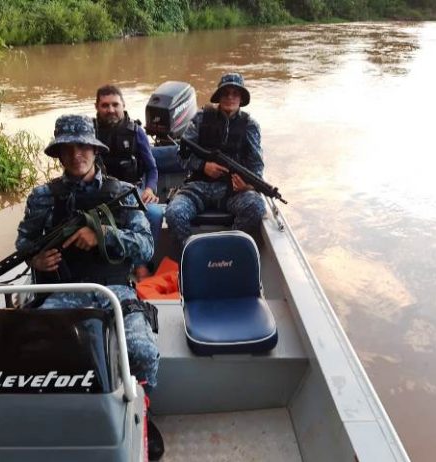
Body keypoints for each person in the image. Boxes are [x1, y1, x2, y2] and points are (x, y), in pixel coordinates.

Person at [16, 114, 164, 460]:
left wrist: (102, 234)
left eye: (83, 146)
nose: (76, 154)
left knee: (142, 351)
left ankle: (144, 412)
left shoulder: (122, 193)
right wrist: (36, 260)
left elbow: (146, 248)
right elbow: (24, 243)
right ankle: (55, 421)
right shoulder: (42, 197)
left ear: (95, 150)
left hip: (115, 290)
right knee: (32, 352)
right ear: (58, 154)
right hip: (60, 290)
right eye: (67, 148)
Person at [165, 73, 266, 245]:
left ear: (241, 98)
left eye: (235, 93)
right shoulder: (200, 118)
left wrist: (248, 186)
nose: (230, 97)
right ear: (219, 96)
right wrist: (203, 166)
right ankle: (192, 252)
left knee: (256, 207)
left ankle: (227, 248)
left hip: (232, 192)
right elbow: (181, 156)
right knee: (174, 213)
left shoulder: (250, 126)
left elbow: (256, 167)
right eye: (225, 93)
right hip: (197, 188)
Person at [94, 85, 163, 280]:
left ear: (123, 105)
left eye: (115, 104)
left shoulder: (136, 132)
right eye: (105, 105)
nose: (110, 109)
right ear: (97, 107)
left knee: (155, 213)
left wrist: (150, 189)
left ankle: (141, 265)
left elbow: (152, 169)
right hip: (100, 192)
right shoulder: (89, 132)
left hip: (133, 191)